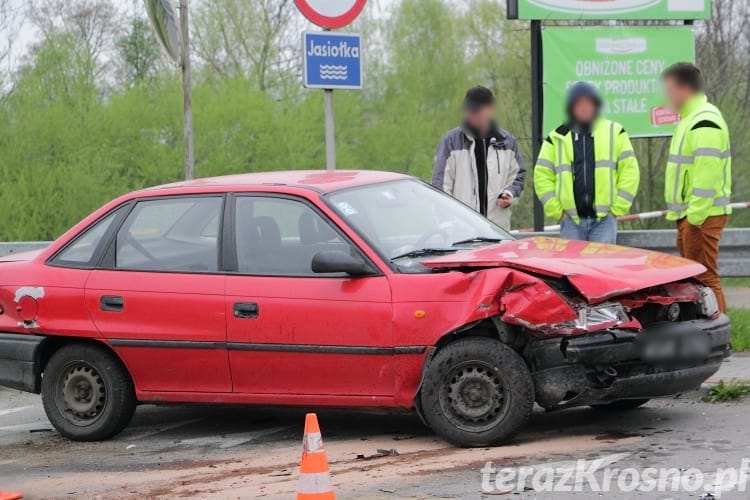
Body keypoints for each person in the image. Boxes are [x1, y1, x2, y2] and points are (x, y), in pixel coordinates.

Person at [662, 62, 731, 312]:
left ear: (684, 89)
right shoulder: (691, 119)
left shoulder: (704, 121)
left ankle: (720, 338)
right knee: (698, 280)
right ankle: (709, 336)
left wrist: (695, 217)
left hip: (701, 216)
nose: (667, 96)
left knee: (705, 278)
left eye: (669, 89)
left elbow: (707, 175)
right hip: (691, 215)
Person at [534, 82, 640, 244]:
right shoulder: (556, 137)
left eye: (588, 103)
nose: (584, 108)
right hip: (571, 222)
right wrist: (558, 212)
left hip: (605, 221)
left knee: (600, 269)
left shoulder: (615, 131)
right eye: (579, 104)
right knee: (573, 269)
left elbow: (630, 172)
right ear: (571, 107)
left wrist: (616, 210)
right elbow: (542, 176)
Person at [432, 86, 525, 230]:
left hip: (497, 230)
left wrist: (509, 194)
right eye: (469, 110)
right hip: (461, 231)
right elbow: (440, 186)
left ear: (490, 108)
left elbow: (518, 176)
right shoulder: (450, 142)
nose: (472, 114)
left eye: (477, 110)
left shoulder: (508, 141)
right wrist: (446, 223)